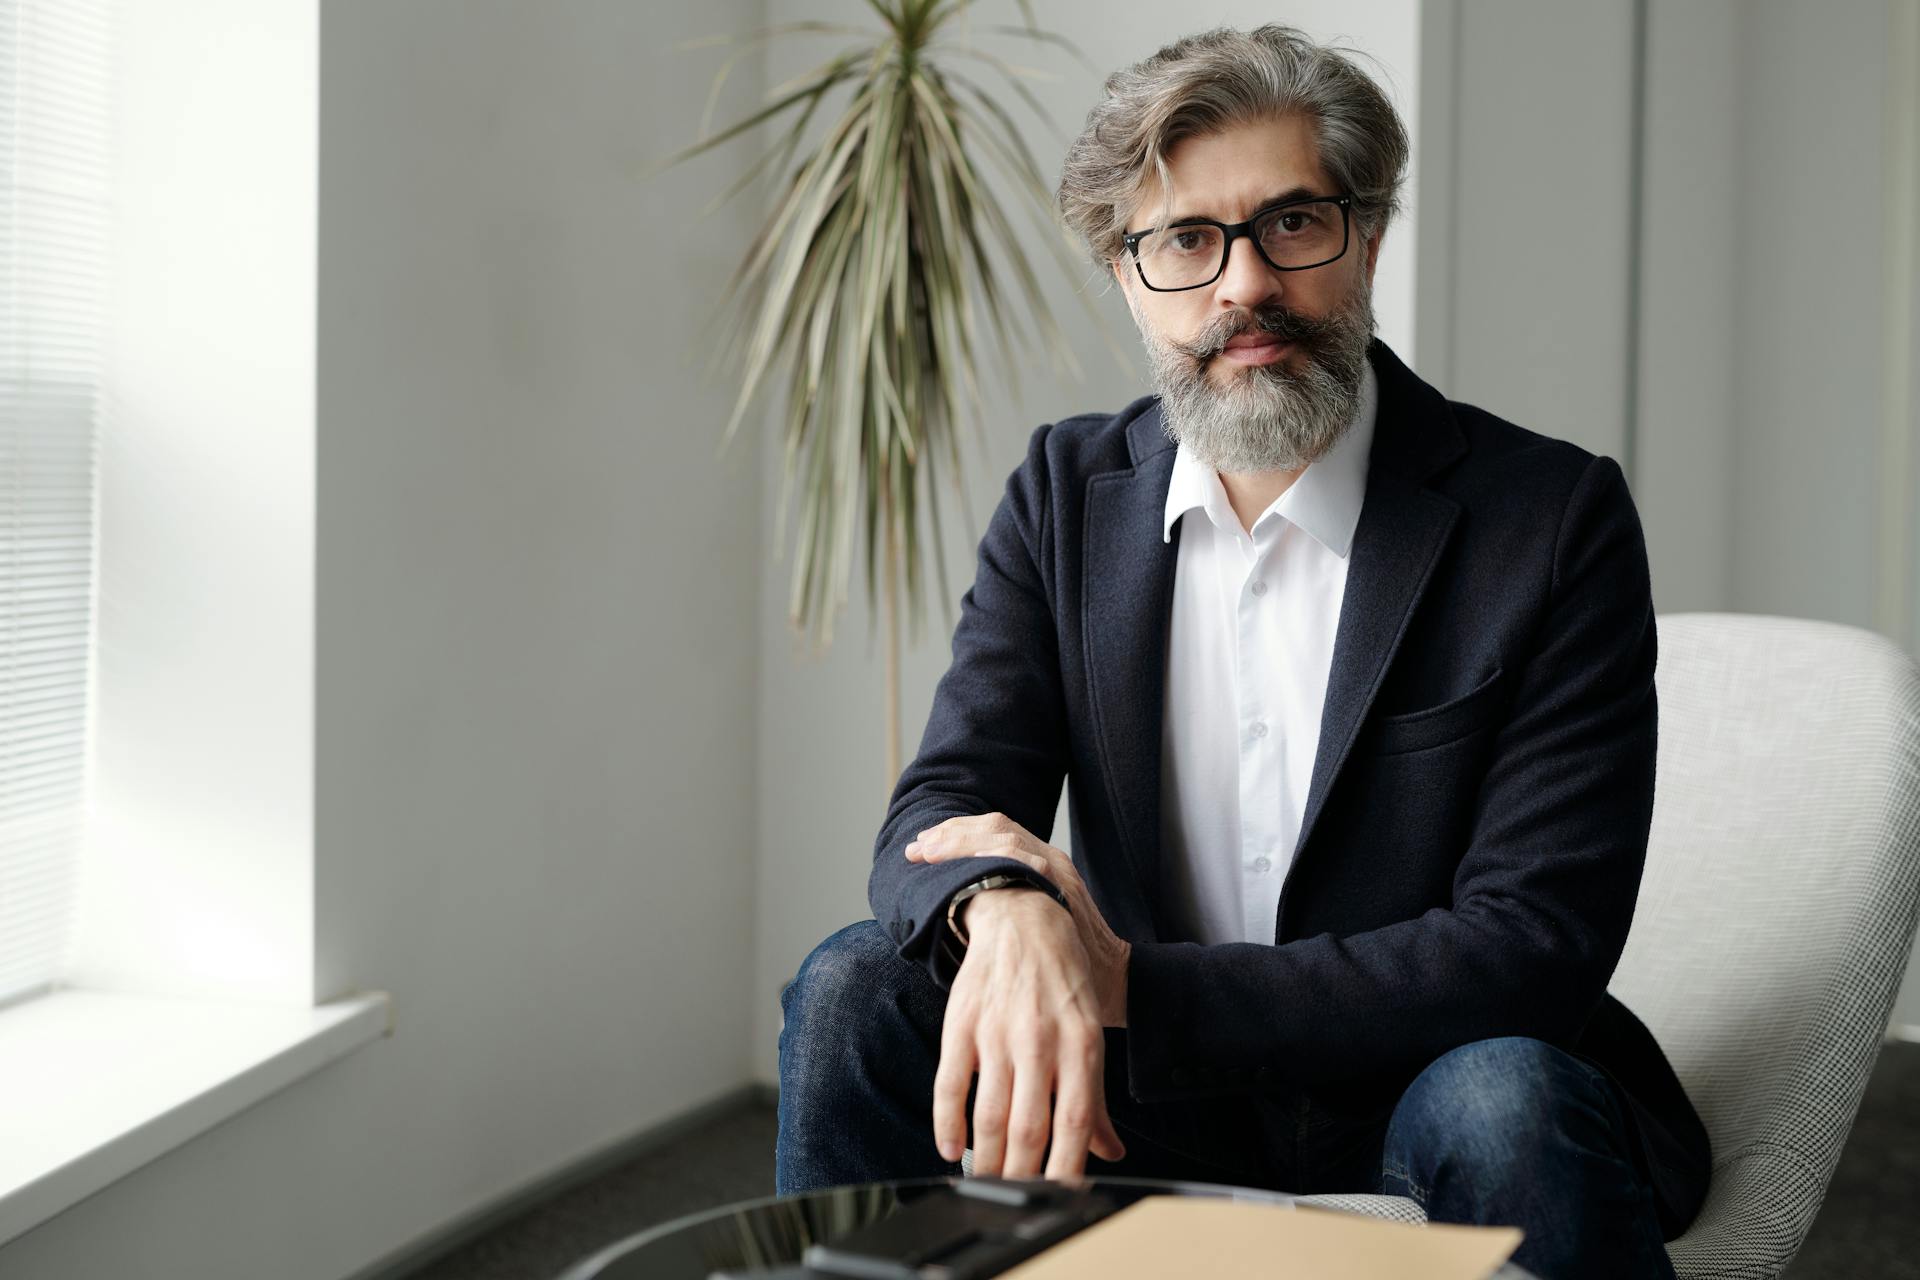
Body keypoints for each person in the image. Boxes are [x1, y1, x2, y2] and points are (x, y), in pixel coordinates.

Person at [775, 23, 1711, 1280]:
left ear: (1366, 237)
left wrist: (1130, 988)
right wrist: (1000, 908)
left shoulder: (1548, 519)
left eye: (1291, 224)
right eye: (1185, 241)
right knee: (854, 985)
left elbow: (1531, 945)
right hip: (1141, 1102)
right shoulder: (1067, 494)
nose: (1244, 287)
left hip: (1422, 1082)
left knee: (1503, 1096)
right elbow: (940, 811)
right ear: (1127, 274)